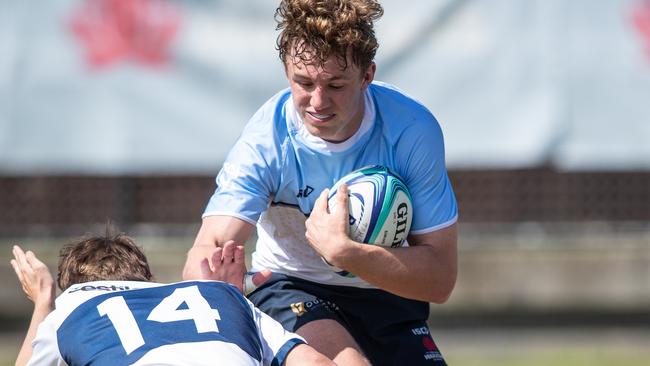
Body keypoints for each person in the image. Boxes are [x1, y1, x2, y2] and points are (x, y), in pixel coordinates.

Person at [183, 0, 458, 365]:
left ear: (367, 75)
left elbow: (439, 281)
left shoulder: (410, 129)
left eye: (335, 85)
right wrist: (217, 285)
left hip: (386, 292)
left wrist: (344, 253)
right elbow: (205, 252)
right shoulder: (266, 141)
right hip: (288, 285)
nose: (317, 101)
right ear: (286, 72)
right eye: (304, 82)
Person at [10, 232, 336, 366]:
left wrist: (43, 301)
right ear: (149, 279)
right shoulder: (220, 296)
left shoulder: (68, 311)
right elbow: (311, 362)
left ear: (72, 288)